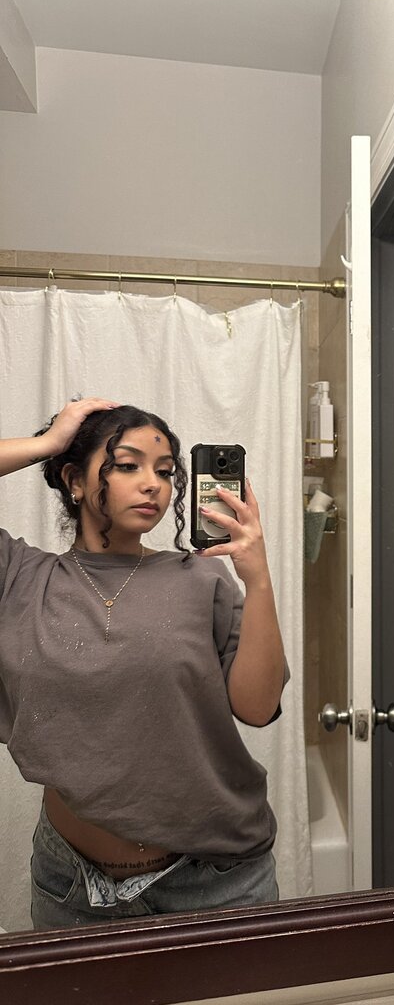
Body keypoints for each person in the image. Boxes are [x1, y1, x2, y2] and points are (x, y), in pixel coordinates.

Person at [0, 397, 289, 930]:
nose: (153, 484)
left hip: (215, 882)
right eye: (127, 465)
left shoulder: (201, 579)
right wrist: (49, 442)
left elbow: (258, 706)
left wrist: (258, 578)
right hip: (70, 887)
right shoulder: (19, 577)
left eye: (164, 471)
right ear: (74, 480)